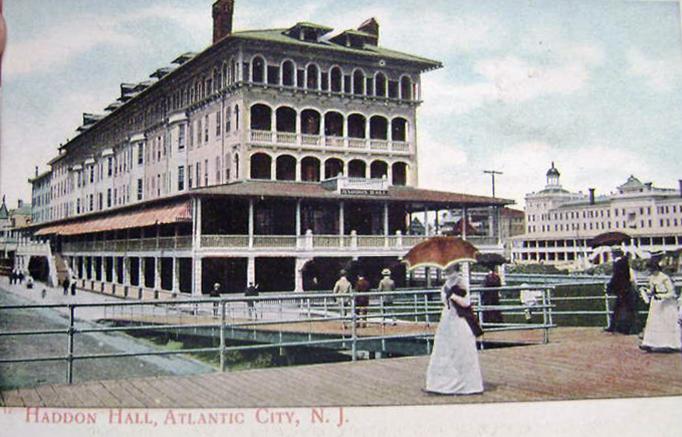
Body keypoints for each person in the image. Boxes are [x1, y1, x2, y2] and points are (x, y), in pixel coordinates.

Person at [425, 263, 484, 395]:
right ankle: (440, 383)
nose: (447, 271)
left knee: (461, 350)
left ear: (456, 269)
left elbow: (466, 302)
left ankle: (466, 384)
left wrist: (453, 296)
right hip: (447, 318)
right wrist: (448, 296)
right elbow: (444, 302)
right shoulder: (446, 284)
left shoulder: (461, 282)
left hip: (459, 319)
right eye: (446, 269)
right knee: (445, 349)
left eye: (450, 269)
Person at [639, 259, 681, 352]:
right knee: (653, 323)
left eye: (650, 269)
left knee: (666, 323)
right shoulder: (651, 278)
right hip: (656, 304)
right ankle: (649, 343)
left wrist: (661, 296)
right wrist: (646, 292)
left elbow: (672, 292)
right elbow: (652, 290)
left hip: (666, 304)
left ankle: (671, 344)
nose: (649, 271)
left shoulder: (664, 278)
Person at [604, 250, 638, 334]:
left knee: (621, 308)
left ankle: (618, 327)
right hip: (626, 289)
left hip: (623, 290)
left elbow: (616, 277)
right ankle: (620, 327)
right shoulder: (624, 263)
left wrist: (610, 287)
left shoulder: (619, 263)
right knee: (624, 309)